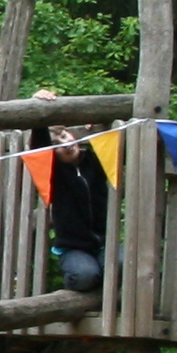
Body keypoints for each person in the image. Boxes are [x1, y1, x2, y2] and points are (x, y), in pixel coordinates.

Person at [37, 93, 110, 294]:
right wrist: (37, 104)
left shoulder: (95, 160)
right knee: (85, 274)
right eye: (56, 144)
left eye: (64, 136)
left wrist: (94, 120)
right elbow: (38, 144)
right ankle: (80, 295)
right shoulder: (54, 172)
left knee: (123, 265)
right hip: (73, 247)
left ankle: (104, 293)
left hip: (105, 242)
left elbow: (113, 132)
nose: (64, 144)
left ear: (72, 134)